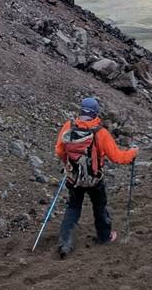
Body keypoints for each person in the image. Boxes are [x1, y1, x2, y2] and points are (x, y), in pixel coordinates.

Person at [55, 96, 137, 258]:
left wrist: (68, 164)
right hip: (94, 180)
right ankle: (104, 237)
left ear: (81, 111)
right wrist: (133, 153)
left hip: (73, 178)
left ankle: (65, 244)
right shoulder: (101, 133)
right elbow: (118, 158)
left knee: (73, 208)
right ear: (96, 113)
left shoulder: (68, 127)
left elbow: (59, 150)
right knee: (99, 207)